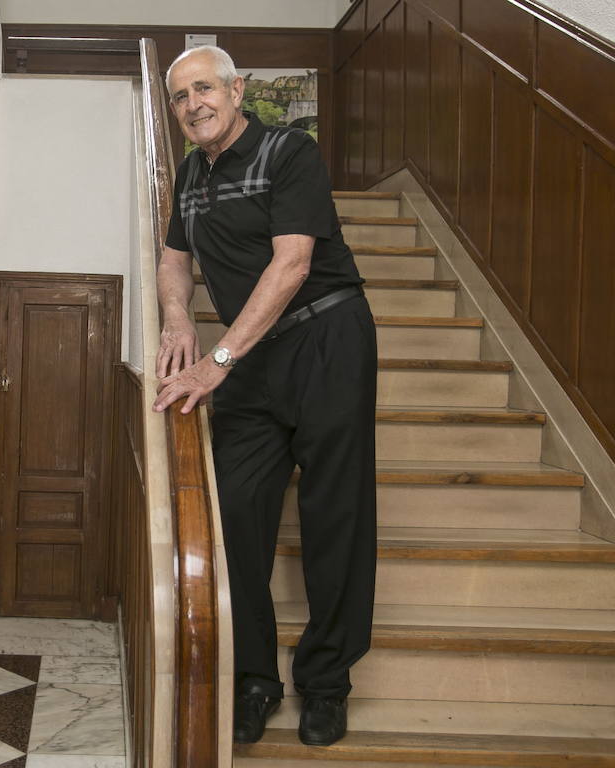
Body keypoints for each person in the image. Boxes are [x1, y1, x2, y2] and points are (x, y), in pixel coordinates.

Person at [152, 45, 376, 747]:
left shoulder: (289, 152)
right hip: (253, 356)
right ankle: (254, 680)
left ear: (236, 89)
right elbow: (173, 257)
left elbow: (294, 263)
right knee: (239, 516)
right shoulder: (190, 173)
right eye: (181, 96)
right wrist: (180, 317)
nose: (194, 104)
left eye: (205, 89)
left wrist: (216, 359)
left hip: (326, 338)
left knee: (333, 515)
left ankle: (326, 684)